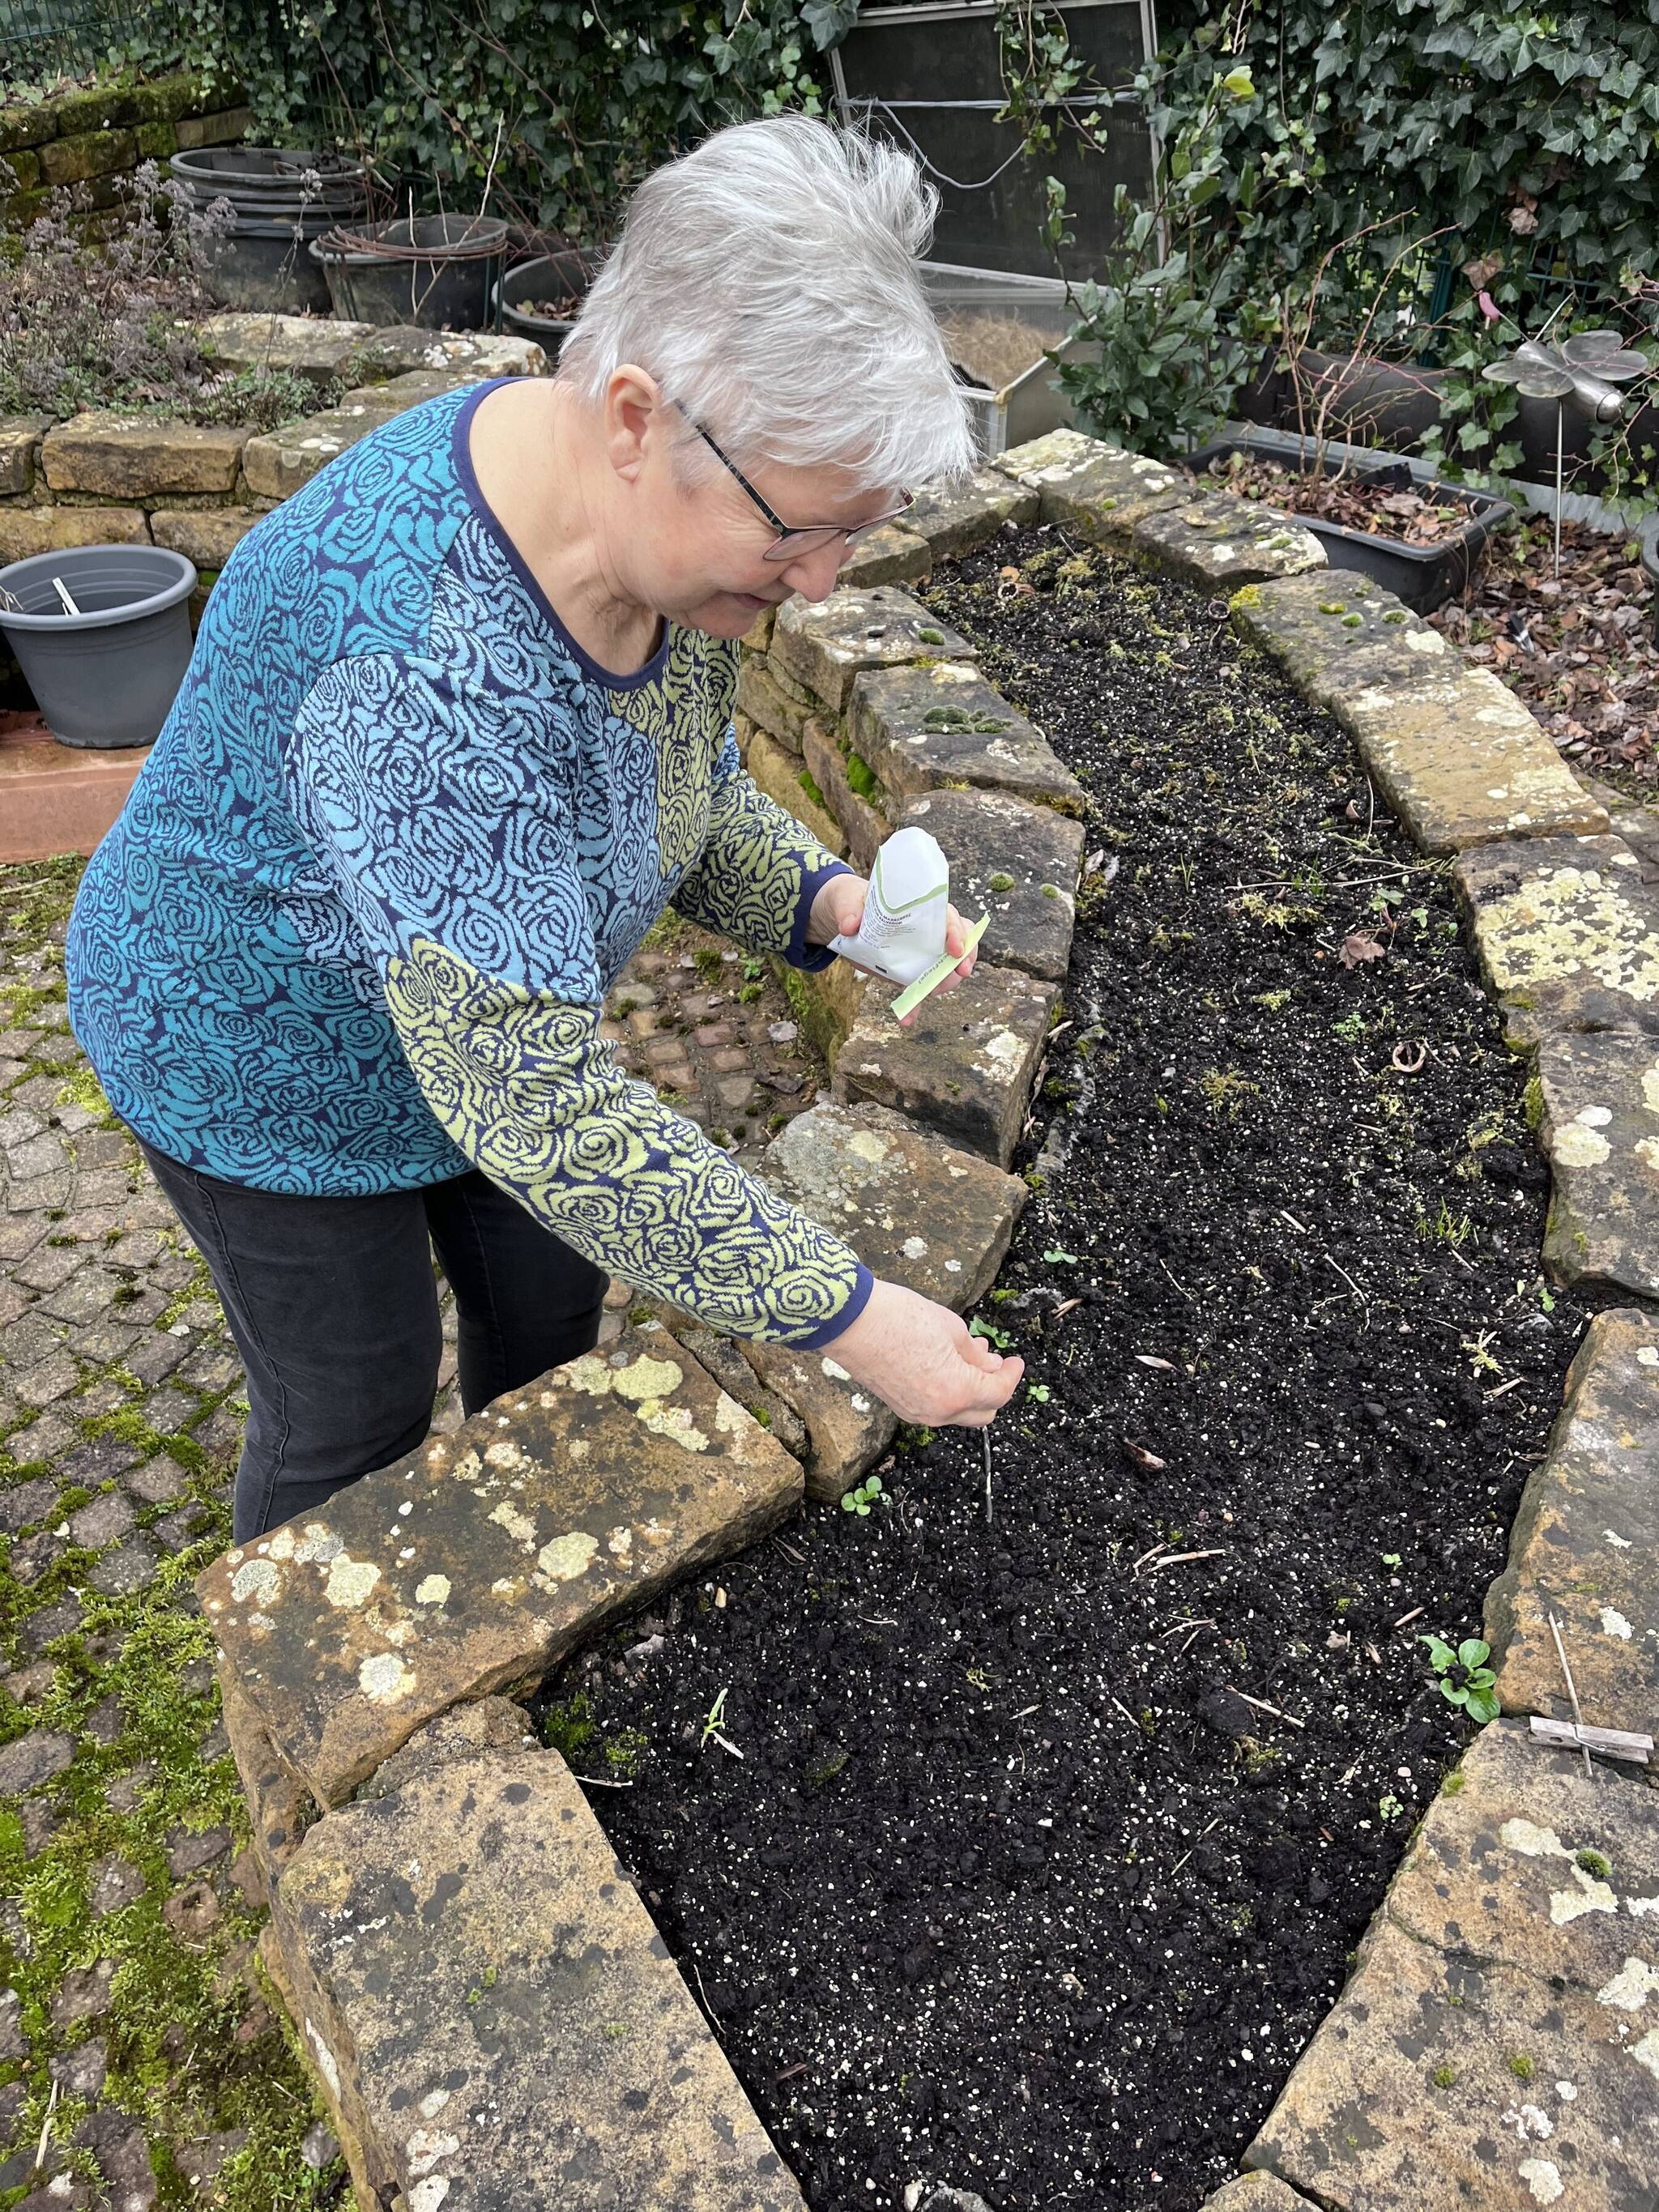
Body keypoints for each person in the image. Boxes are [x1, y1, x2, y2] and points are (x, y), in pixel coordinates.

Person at [65, 115, 1025, 1545]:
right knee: (355, 1414)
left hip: (481, 1016)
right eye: (799, 533)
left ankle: (526, 1585)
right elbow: (537, 1104)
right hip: (261, 1054)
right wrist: (851, 1316)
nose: (822, 583)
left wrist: (832, 906)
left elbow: (677, 791)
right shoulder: (414, 658)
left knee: (548, 1317)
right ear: (637, 418)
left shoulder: (648, 543)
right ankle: (330, 1671)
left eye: (852, 535)